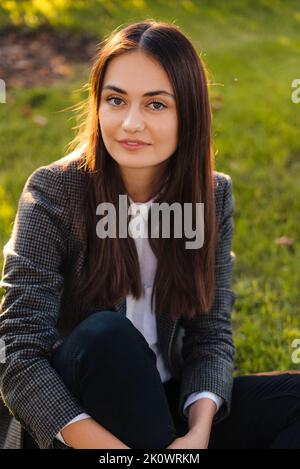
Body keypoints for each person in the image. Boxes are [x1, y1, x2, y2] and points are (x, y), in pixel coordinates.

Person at [1, 20, 300, 450]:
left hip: (163, 407)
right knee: (107, 337)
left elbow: (210, 334)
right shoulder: (53, 192)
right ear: (97, 105)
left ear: (189, 113)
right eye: (116, 100)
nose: (130, 124)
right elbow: (17, 352)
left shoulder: (212, 194)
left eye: (156, 105)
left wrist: (197, 435)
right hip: (78, 420)